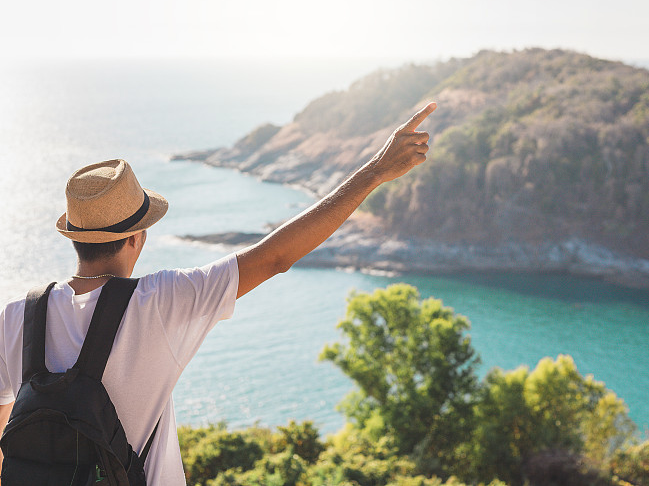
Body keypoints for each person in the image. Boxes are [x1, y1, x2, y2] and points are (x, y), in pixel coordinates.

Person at [0, 102, 436, 484]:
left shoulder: (16, 316)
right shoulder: (161, 301)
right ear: (138, 237)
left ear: (75, 237)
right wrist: (375, 172)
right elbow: (274, 257)